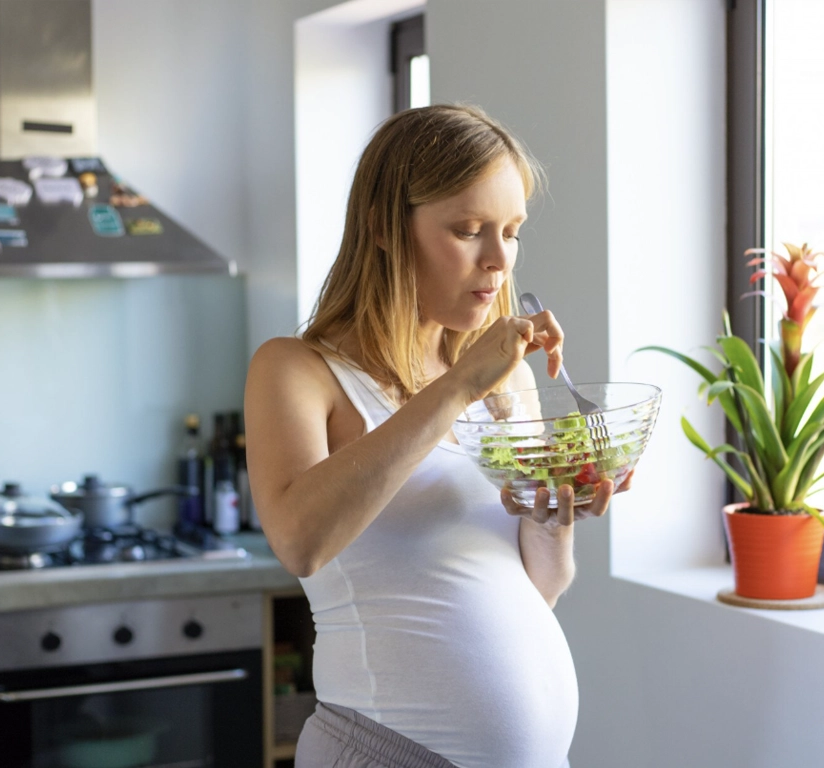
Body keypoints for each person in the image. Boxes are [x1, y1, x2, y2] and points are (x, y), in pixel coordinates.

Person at [245, 104, 629, 768]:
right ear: (383, 227)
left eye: (511, 232)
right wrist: (456, 389)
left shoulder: (507, 379)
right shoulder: (298, 370)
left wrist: (554, 511)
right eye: (468, 230)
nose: (498, 260)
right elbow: (300, 543)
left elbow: (536, 589)